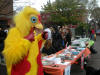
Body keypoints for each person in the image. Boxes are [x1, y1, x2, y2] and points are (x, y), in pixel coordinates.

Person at [2, 6, 48, 75]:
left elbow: (35, 48)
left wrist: (41, 37)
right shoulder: (15, 32)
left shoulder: (32, 32)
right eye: (34, 20)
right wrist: (27, 40)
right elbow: (10, 56)